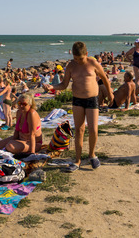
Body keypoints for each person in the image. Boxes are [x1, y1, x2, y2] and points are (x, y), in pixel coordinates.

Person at [46, 42, 113, 172]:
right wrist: (52, 87)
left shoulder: (93, 63)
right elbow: (64, 85)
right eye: (76, 58)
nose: (78, 61)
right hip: (77, 100)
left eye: (80, 58)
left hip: (92, 99)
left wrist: (110, 94)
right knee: (79, 130)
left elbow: (104, 78)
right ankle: (77, 160)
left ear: (86, 54)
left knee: (93, 129)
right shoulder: (71, 66)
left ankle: (92, 155)